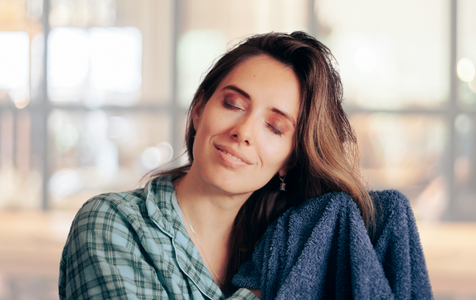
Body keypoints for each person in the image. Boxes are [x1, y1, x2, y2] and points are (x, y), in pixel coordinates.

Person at [59, 32, 432, 299]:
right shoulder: (112, 224)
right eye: (233, 104)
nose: (243, 132)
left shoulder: (293, 240)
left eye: (274, 126)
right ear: (200, 108)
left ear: (290, 160)